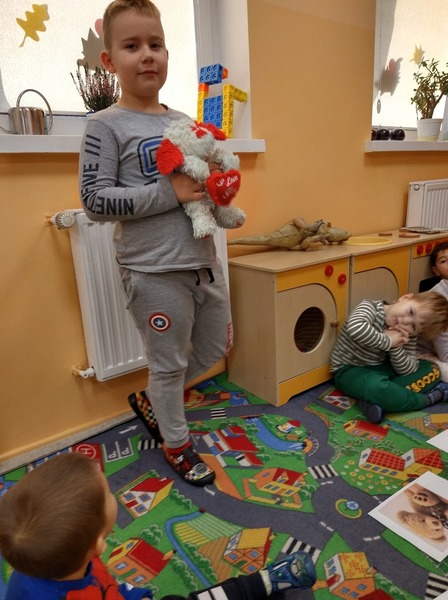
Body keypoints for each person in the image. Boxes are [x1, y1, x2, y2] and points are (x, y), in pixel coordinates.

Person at [78, 0, 237, 486]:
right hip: (151, 271)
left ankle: (156, 398)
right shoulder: (104, 125)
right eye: (132, 46)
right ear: (110, 61)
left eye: (156, 44)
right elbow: (94, 201)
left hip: (202, 260)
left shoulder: (184, 120)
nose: (147, 55)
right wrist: (169, 192)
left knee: (216, 345)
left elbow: (199, 178)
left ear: (167, 54)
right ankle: (177, 443)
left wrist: (217, 183)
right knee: (168, 365)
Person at [0, 453, 317, 600]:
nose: (114, 494)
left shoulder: (51, 557)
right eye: (108, 493)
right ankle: (265, 582)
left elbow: (105, 584)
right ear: (97, 544)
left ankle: (264, 582)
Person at [330, 291, 448, 423]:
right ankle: (425, 399)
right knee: (376, 386)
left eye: (413, 326)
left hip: (383, 368)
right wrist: (388, 341)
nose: (405, 321)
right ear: (405, 298)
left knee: (432, 368)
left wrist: (395, 348)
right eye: (411, 312)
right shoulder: (370, 307)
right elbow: (355, 329)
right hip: (349, 369)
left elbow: (408, 370)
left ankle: (379, 398)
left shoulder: (408, 334)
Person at [417, 241, 448, 381]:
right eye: (444, 260)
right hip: (424, 354)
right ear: (436, 271)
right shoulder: (438, 298)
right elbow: (445, 354)